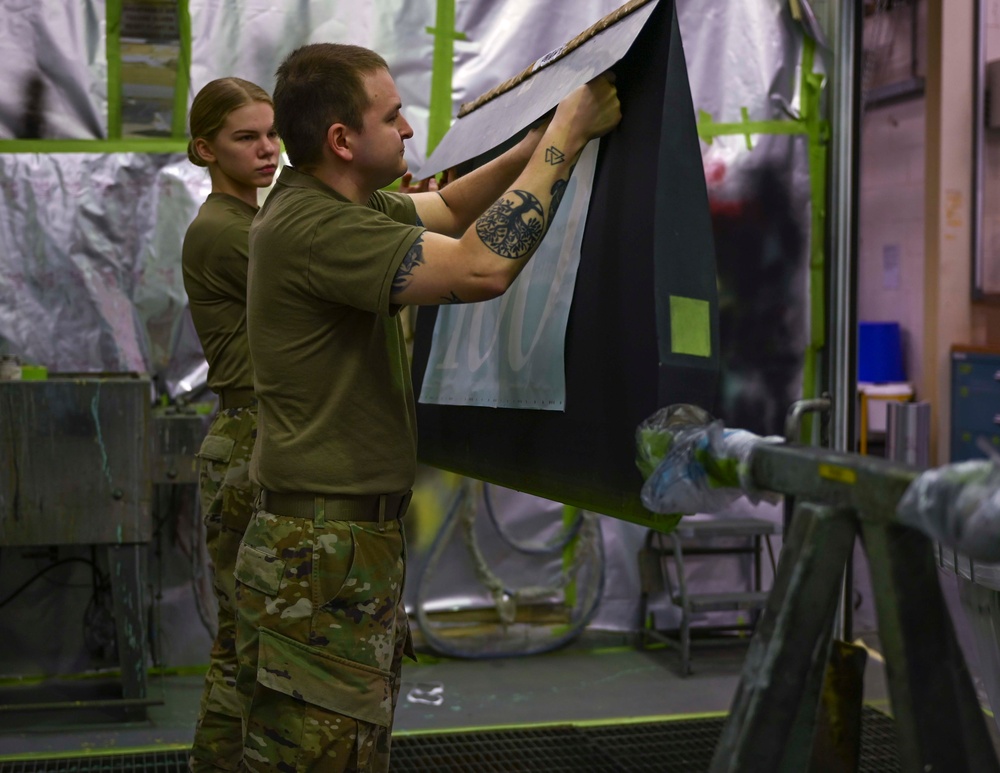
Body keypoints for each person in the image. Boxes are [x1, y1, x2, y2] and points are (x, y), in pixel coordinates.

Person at [235, 42, 621, 772]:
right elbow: (480, 266)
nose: (410, 131)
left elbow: (446, 207)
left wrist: (531, 148)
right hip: (323, 554)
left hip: (338, 543)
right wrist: (567, 136)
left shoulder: (333, 201)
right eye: (394, 116)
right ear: (342, 140)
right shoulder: (318, 229)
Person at [180, 76, 280, 773]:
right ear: (205, 149)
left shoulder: (250, 224)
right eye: (246, 137)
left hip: (247, 437)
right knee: (257, 646)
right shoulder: (229, 231)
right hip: (253, 440)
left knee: (239, 643)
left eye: (272, 133)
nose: (267, 148)